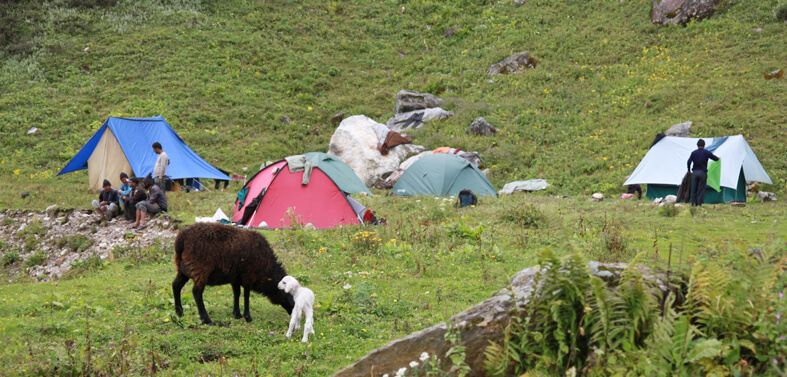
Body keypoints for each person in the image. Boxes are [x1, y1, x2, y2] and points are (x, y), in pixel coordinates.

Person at [687, 139, 720, 207]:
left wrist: (689, 170)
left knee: (693, 188)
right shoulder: (706, 152)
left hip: (695, 173)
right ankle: (699, 204)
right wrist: (718, 158)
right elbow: (715, 158)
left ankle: (693, 203)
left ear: (697, 145)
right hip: (702, 173)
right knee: (701, 189)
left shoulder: (693, 153)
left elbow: (689, 161)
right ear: (704, 146)